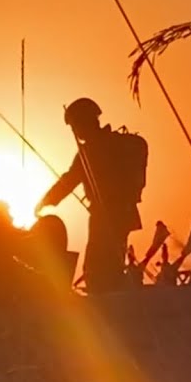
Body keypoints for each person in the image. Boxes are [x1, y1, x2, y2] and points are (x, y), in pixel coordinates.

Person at [35, 97, 148, 293]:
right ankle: (113, 297)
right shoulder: (112, 146)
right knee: (109, 264)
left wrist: (46, 201)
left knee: (98, 268)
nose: (76, 132)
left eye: (75, 126)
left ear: (84, 122)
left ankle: (110, 305)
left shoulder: (92, 151)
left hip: (108, 216)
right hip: (120, 214)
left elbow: (69, 180)